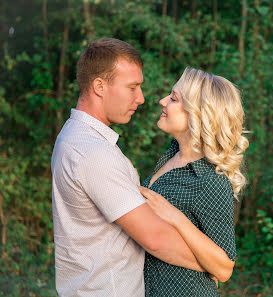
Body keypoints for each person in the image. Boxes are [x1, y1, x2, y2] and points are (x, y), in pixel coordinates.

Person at [51, 38, 204, 297]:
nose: (141, 98)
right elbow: (155, 238)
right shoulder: (92, 153)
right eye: (132, 87)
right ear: (99, 86)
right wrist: (213, 265)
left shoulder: (76, 137)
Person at [138, 67, 249, 296]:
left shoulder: (210, 181)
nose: (162, 101)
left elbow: (225, 268)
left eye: (173, 98)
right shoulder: (170, 156)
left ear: (197, 114)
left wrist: (176, 217)